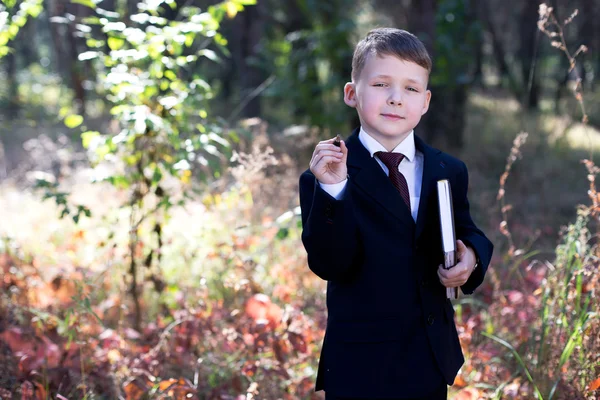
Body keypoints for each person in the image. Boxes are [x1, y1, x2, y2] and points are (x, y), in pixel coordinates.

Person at [298, 28, 493, 400]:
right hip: (359, 363)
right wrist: (335, 190)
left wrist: (470, 255)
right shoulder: (324, 175)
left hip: (429, 355)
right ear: (352, 93)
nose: (395, 99)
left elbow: (469, 230)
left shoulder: (448, 169)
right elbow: (330, 263)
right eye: (381, 84)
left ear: (426, 102)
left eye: (410, 89)